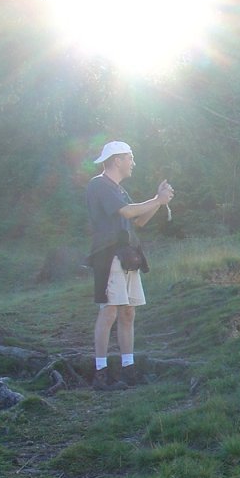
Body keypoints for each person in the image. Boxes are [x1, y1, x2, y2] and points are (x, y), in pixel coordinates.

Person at [86, 140, 174, 390]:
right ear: (117, 160)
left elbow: (139, 221)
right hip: (109, 256)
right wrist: (156, 199)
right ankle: (100, 373)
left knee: (128, 312)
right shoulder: (99, 185)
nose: (133, 162)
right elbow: (127, 213)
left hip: (127, 256)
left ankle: (128, 370)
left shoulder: (118, 190)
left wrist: (159, 202)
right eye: (130, 158)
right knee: (110, 311)